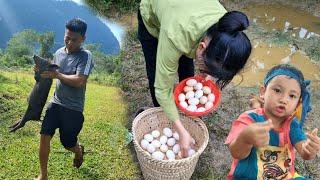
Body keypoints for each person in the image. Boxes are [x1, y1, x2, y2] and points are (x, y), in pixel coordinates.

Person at [138, 0, 252, 157]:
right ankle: (165, 118)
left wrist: (209, 73)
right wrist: (180, 130)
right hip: (155, 15)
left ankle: (182, 115)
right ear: (201, 48)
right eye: (208, 69)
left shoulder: (226, 29)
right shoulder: (176, 35)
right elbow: (162, 88)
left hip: (181, 18)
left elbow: (212, 60)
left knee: (187, 68)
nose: (207, 75)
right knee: (156, 71)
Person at [225, 64, 320, 179]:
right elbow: (236, 153)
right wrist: (246, 138)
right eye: (277, 90)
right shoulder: (249, 119)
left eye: (292, 96)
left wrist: (310, 150)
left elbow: (304, 153)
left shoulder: (292, 124)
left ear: (297, 104)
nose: (284, 100)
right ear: (263, 92)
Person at [35, 18, 94, 180]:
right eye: (66, 37)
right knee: (44, 135)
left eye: (74, 40)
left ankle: (78, 150)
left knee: (67, 143)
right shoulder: (58, 53)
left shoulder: (85, 56)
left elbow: (80, 81)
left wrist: (58, 75)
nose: (69, 42)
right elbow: (50, 74)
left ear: (83, 39)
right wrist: (40, 71)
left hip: (73, 109)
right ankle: (43, 175)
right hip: (55, 103)